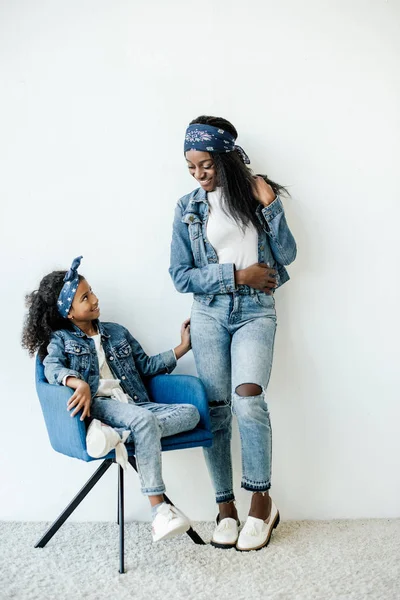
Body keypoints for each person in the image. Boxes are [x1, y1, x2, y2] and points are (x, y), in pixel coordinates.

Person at [169, 116, 297, 551]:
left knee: (247, 399)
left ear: (224, 157)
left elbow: (288, 254)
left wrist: (270, 205)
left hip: (256, 314)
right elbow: (181, 276)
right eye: (191, 167)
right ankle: (225, 508)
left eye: (206, 164)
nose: (199, 174)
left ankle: (261, 502)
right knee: (218, 409)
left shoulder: (257, 194)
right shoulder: (187, 208)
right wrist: (237, 276)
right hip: (208, 315)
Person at [22, 256, 200, 543]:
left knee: (191, 413)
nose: (94, 299)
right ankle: (159, 511)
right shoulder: (60, 340)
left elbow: (147, 367)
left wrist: (181, 348)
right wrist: (76, 381)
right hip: (101, 405)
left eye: (91, 291)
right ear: (69, 312)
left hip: (134, 404)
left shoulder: (117, 332)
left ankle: (117, 436)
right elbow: (51, 368)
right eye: (84, 297)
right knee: (144, 421)